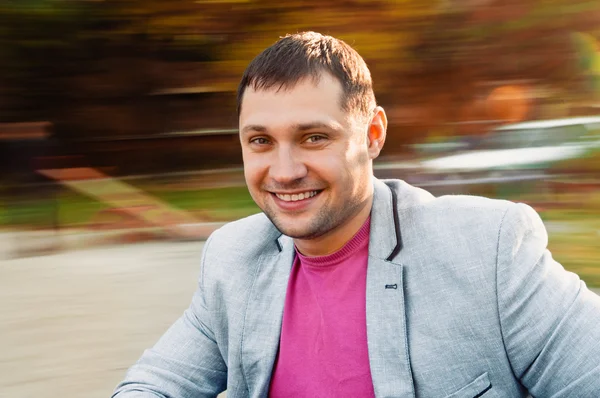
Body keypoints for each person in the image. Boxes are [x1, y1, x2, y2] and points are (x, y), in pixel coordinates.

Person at [112, 32, 600, 398]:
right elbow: (157, 383)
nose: (283, 171)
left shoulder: (486, 249)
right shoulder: (233, 258)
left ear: (372, 134)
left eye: (314, 137)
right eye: (261, 141)